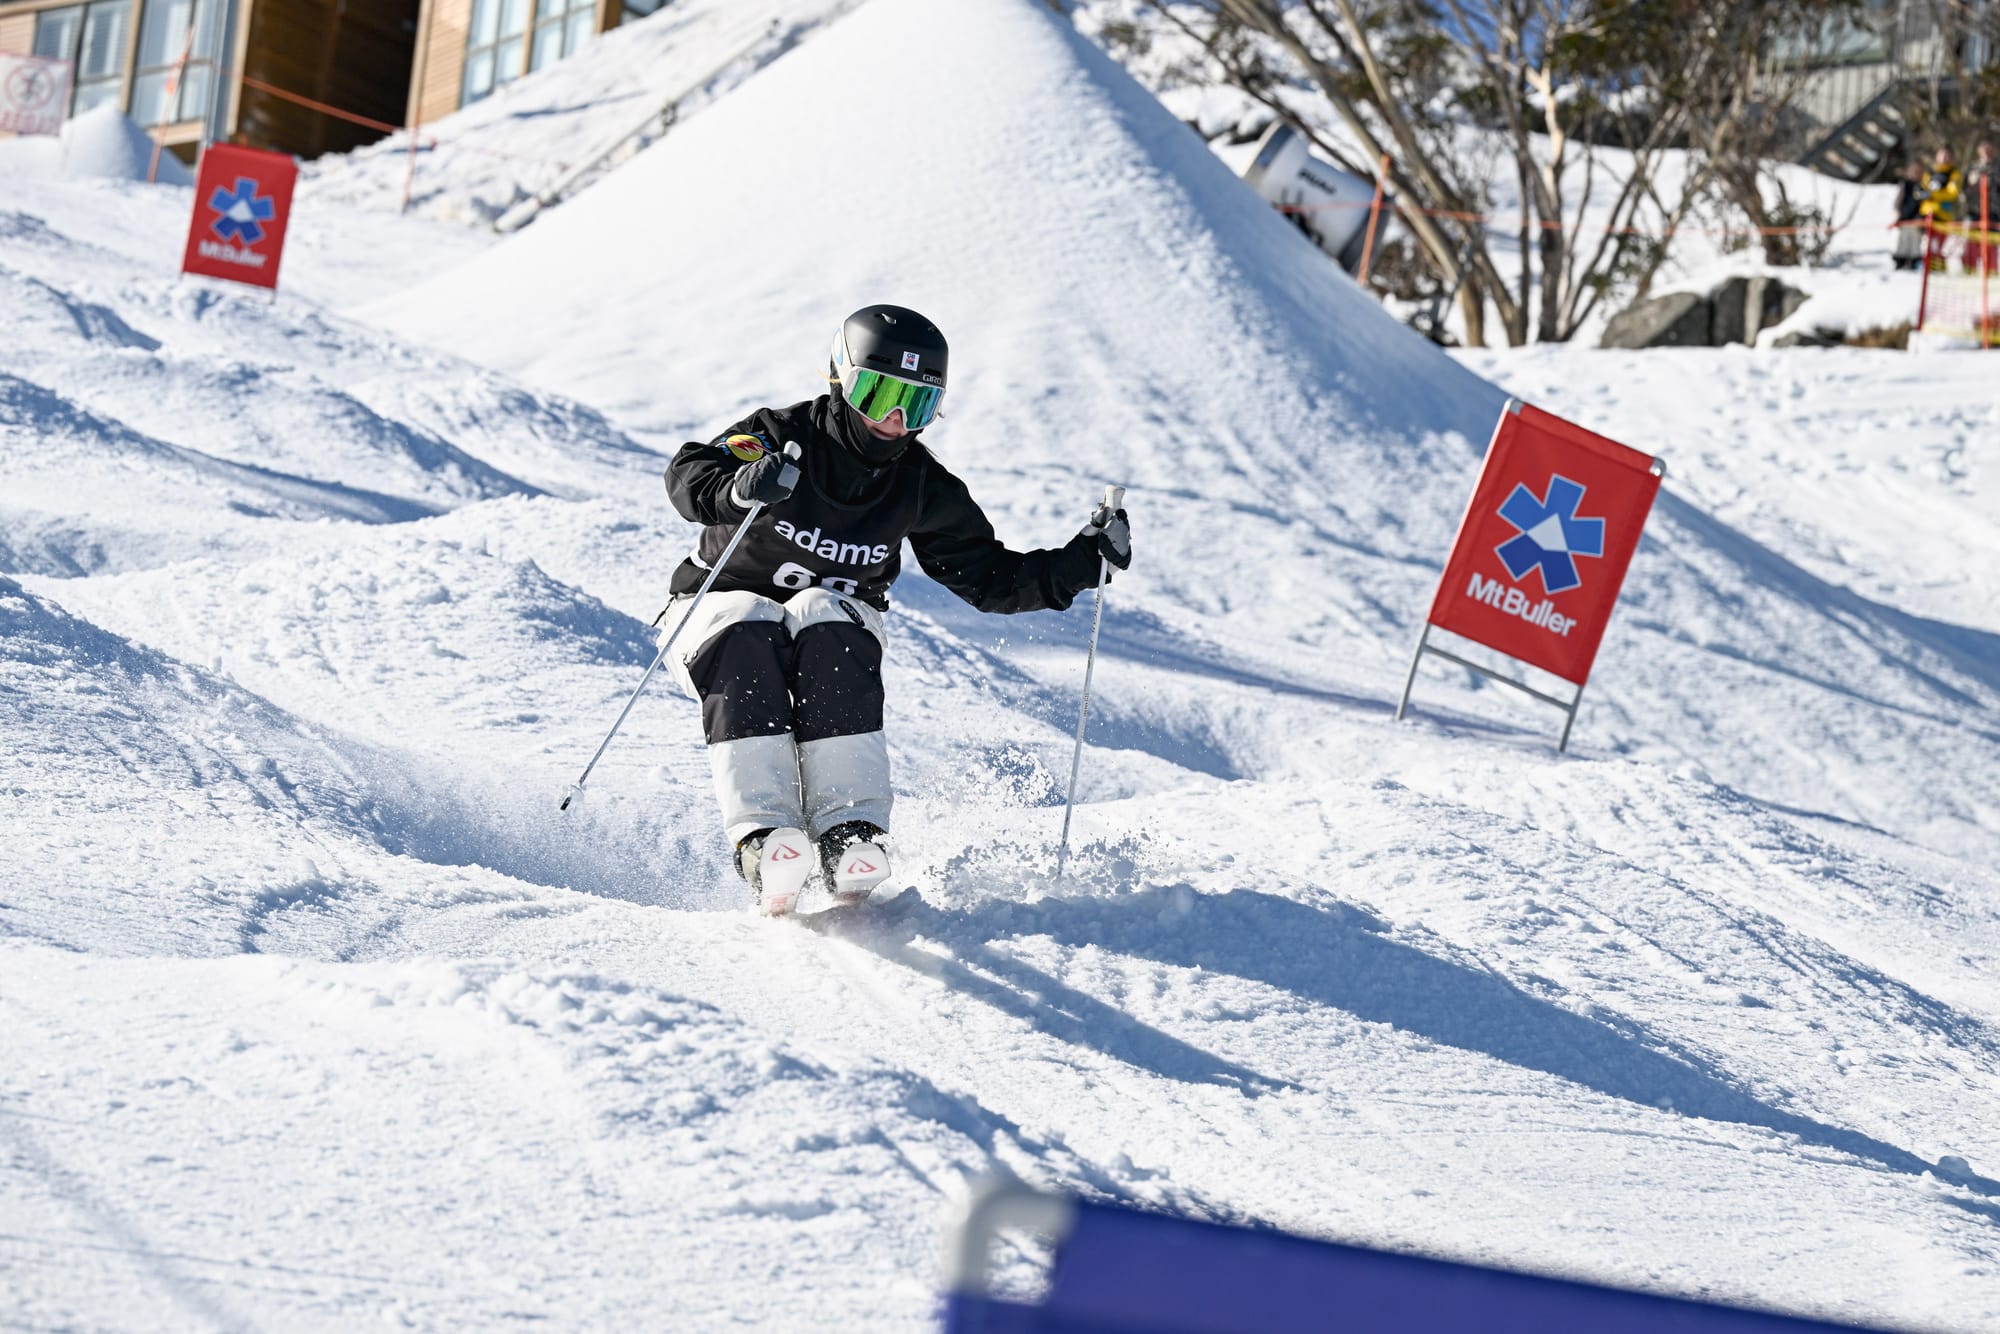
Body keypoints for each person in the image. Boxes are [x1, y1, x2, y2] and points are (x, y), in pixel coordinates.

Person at [661, 304, 1133, 915]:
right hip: (715, 611)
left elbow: (990, 577)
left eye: (914, 405)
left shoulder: (919, 484)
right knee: (753, 624)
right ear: (840, 378)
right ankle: (763, 840)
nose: (891, 420)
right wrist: (740, 488)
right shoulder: (784, 436)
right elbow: (690, 473)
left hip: (829, 624)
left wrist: (1082, 562)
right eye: (878, 392)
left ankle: (848, 834)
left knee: (826, 616)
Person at [1962, 141, 1995, 275]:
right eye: (1984, 149)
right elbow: (1964, 189)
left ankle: (1991, 271)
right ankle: (1970, 269)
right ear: (1979, 151)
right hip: (1974, 211)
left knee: (1991, 244)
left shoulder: (1997, 168)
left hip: (1993, 212)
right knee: (1971, 241)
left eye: (1989, 149)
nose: (1987, 152)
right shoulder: (1972, 168)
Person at [1893, 159, 1926, 271]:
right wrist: (1897, 213)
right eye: (1914, 171)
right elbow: (1898, 200)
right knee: (1903, 241)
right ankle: (1900, 262)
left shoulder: (1923, 186)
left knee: (1915, 242)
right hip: (1905, 218)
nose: (1916, 173)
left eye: (1919, 171)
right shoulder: (1905, 185)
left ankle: (1914, 262)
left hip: (1917, 220)